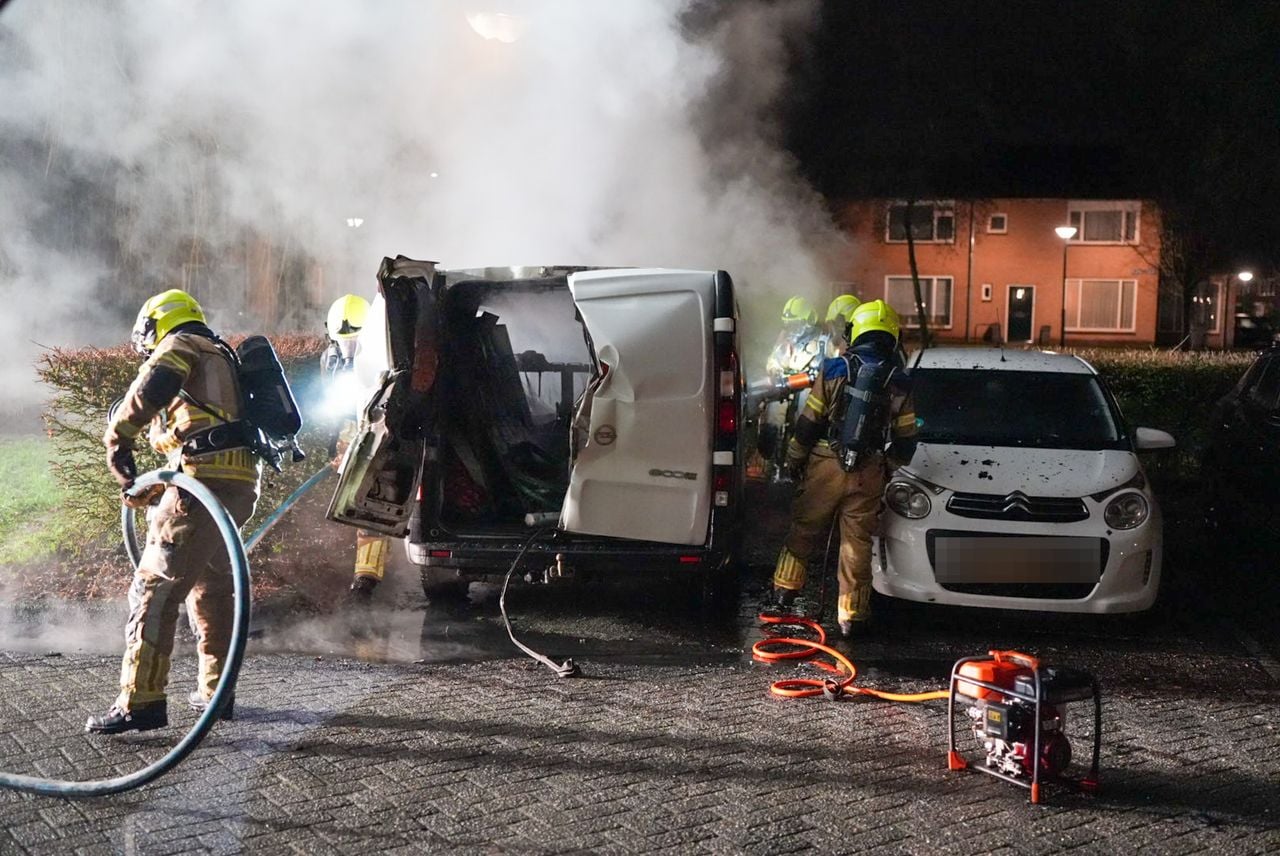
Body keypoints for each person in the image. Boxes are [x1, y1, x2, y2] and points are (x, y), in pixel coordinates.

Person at [88, 289, 261, 734]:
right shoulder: (220, 355)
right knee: (212, 588)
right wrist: (153, 486)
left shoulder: (180, 345)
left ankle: (139, 701)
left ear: (157, 325)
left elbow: (154, 385)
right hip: (238, 486)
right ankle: (216, 692)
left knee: (153, 590)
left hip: (201, 488)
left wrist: (118, 436)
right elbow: (194, 436)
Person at [770, 299, 918, 638]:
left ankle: (783, 593)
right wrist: (886, 466)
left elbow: (809, 422)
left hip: (825, 463)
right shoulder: (900, 382)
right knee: (857, 542)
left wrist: (794, 458)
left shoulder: (834, 369)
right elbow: (907, 439)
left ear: (855, 332)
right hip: (869, 472)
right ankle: (852, 615)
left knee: (805, 527)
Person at [323, 293, 392, 603]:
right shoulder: (330, 359)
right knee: (357, 507)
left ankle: (365, 581)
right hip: (354, 438)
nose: (350, 349)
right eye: (344, 341)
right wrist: (334, 444)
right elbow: (332, 406)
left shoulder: (387, 356)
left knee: (372, 510)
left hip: (381, 438)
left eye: (356, 341)